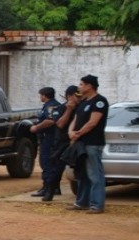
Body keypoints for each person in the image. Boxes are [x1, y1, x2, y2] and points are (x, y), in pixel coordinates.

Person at [67, 74, 108, 214]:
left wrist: (78, 133)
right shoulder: (84, 102)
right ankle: (82, 202)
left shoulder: (99, 101)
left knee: (94, 174)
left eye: (81, 84)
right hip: (80, 143)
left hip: (92, 143)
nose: (79, 87)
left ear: (90, 86)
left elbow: (93, 122)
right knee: (82, 174)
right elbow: (75, 119)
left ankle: (97, 205)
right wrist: (71, 131)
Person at [42, 85, 81, 201]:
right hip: (61, 143)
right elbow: (59, 124)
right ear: (69, 96)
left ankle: (81, 196)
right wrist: (69, 109)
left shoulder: (81, 108)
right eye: (76, 96)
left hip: (76, 142)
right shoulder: (60, 108)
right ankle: (50, 191)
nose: (78, 99)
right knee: (56, 169)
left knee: (79, 169)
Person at [30, 87, 61, 197]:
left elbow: (50, 121)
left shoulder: (51, 105)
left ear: (44, 95)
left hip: (49, 138)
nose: (40, 97)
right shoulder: (50, 105)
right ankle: (53, 187)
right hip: (48, 138)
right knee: (51, 163)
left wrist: (36, 127)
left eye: (41, 95)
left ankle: (48, 188)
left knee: (46, 162)